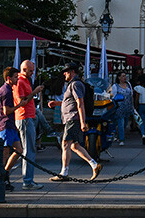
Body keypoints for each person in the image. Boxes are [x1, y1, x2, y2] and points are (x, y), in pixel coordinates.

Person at [47, 63, 103, 181]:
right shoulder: (72, 84)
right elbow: (71, 102)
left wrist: (83, 122)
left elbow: (80, 103)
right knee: (74, 145)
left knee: (65, 144)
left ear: (72, 72)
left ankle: (64, 173)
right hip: (72, 118)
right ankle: (94, 165)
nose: (64, 74)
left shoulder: (76, 84)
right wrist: (57, 103)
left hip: (73, 118)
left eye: (66, 71)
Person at [14, 60, 44, 189]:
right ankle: (27, 181)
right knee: (29, 150)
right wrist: (34, 92)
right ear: (24, 69)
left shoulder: (25, 81)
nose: (32, 73)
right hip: (24, 117)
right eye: (30, 71)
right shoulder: (20, 82)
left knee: (29, 149)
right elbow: (22, 102)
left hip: (29, 117)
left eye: (33, 70)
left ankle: (28, 180)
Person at [109, 71, 133, 146]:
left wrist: (133, 106)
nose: (124, 77)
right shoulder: (115, 86)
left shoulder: (128, 85)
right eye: (123, 76)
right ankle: (121, 139)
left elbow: (131, 95)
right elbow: (112, 96)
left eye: (125, 76)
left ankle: (118, 134)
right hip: (119, 108)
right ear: (119, 77)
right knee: (121, 123)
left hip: (127, 107)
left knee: (125, 123)